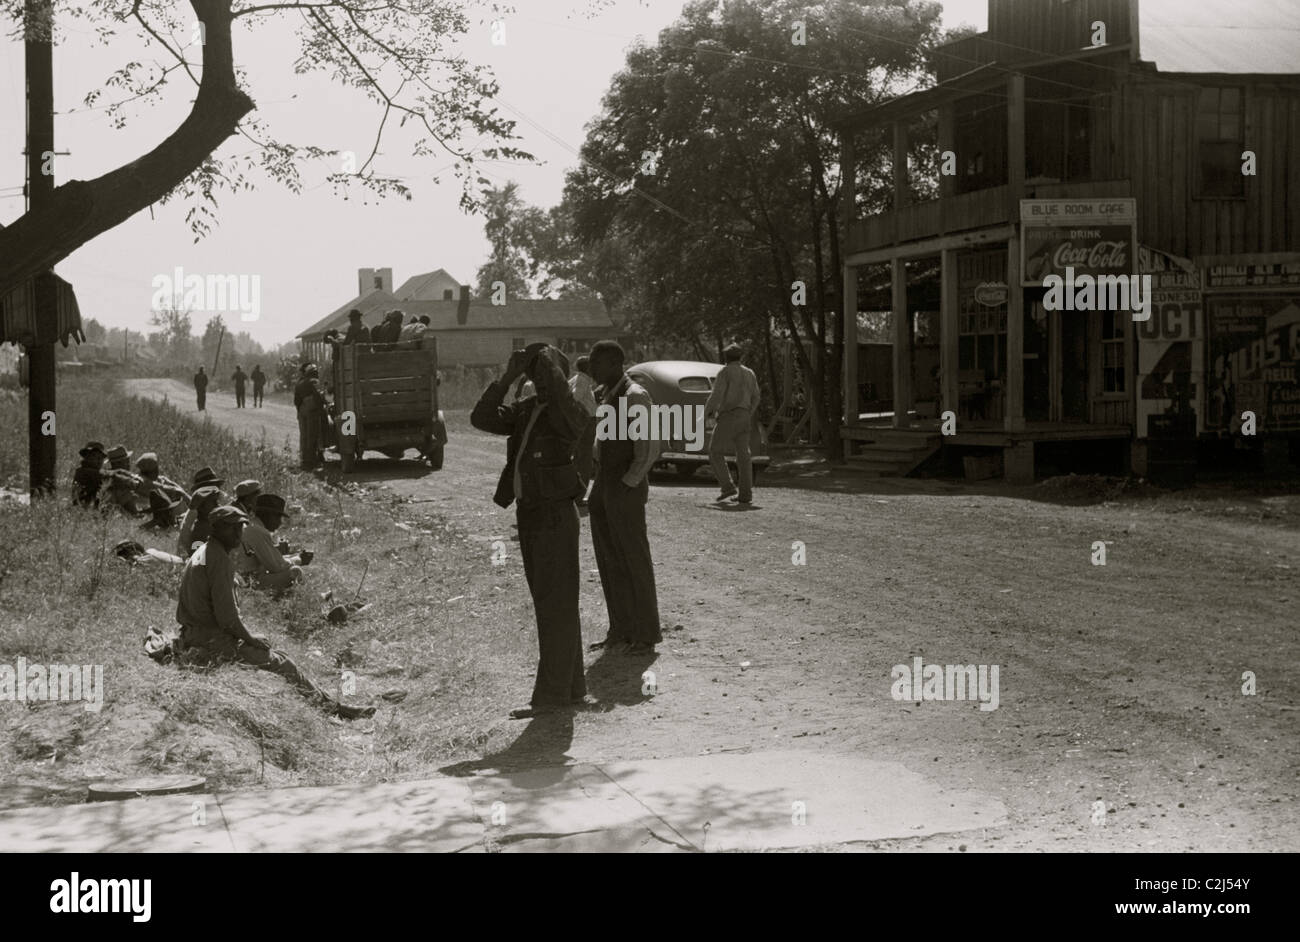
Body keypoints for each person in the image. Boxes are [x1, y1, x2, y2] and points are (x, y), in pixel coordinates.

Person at [471, 343, 589, 719]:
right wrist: (509, 374)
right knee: (554, 604)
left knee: (556, 604)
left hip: (554, 514)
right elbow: (481, 417)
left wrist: (546, 367)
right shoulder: (527, 410)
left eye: (542, 372)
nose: (535, 378)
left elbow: (568, 410)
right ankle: (570, 688)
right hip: (533, 514)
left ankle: (552, 697)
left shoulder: (566, 411)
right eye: (532, 373)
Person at [176, 505, 374, 720]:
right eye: (231, 529)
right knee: (283, 663)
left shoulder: (204, 551)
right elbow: (228, 620)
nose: (237, 534)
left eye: (239, 528)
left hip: (194, 631)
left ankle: (330, 702)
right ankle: (333, 709)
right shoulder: (219, 560)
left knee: (281, 656)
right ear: (216, 529)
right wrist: (250, 638)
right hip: (210, 639)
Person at [587, 340, 663, 654]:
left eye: (597, 362)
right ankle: (620, 629)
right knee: (609, 560)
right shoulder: (606, 395)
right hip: (605, 485)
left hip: (624, 489)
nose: (591, 368)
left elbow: (648, 448)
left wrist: (627, 483)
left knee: (633, 560)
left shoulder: (635, 396)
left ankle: (645, 634)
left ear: (614, 363)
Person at [704, 343, 761, 504]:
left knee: (715, 451)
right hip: (745, 416)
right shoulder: (750, 373)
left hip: (729, 415)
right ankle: (745, 495)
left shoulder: (725, 371)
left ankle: (727, 486)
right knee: (744, 456)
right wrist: (748, 413)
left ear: (725, 358)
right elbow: (757, 397)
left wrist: (706, 412)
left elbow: (716, 395)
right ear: (740, 357)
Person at [236, 494, 311, 591]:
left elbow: (273, 560)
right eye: (278, 517)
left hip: (243, 578)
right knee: (295, 571)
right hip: (248, 582)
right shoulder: (258, 531)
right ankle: (304, 597)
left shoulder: (251, 526)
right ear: (268, 515)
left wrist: (293, 557)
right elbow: (277, 567)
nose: (280, 522)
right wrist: (299, 559)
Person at [569, 355, 598, 505]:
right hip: (586, 422)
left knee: (578, 458)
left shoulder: (578, 378)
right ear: (587, 367)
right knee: (585, 460)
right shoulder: (582, 380)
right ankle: (579, 497)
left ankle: (573, 493)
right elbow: (575, 397)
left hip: (581, 422)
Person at [293, 363, 327, 470]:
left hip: (302, 410)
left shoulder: (300, 383)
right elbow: (318, 396)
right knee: (312, 436)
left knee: (304, 437)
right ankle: (312, 461)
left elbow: (296, 401)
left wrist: (301, 410)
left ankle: (304, 460)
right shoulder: (313, 382)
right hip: (312, 410)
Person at [176, 485, 223, 558]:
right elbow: (199, 561)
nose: (217, 504)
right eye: (213, 502)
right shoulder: (201, 530)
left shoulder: (208, 524)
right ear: (201, 507)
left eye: (216, 501)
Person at [72, 441, 107, 508]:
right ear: (87, 458)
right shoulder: (84, 472)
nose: (99, 460)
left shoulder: (95, 472)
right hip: (86, 509)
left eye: (101, 457)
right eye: (95, 456)